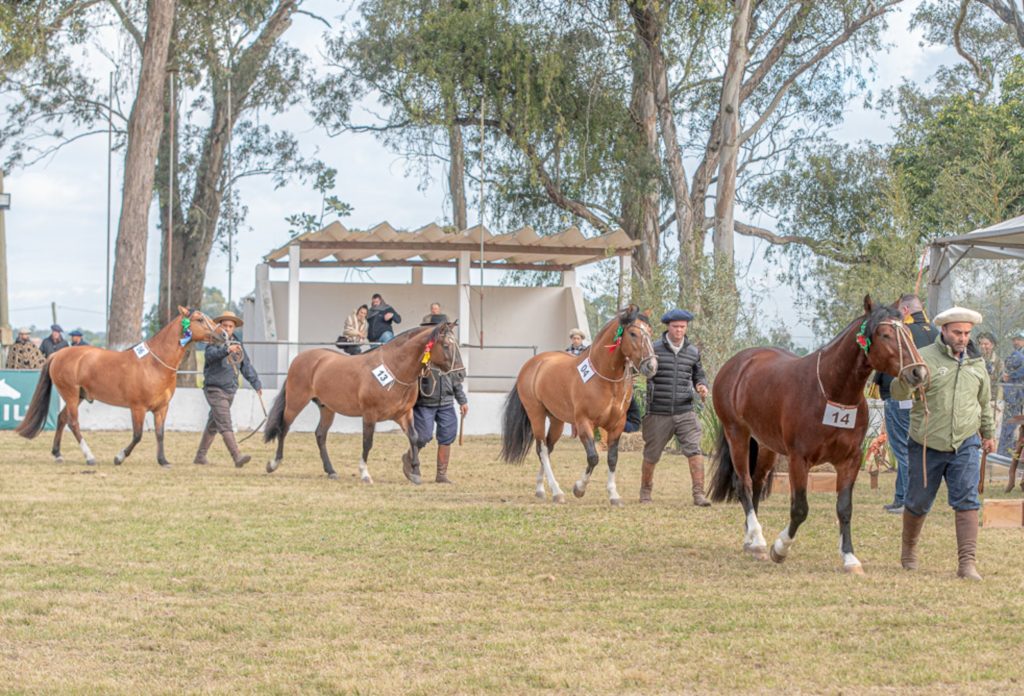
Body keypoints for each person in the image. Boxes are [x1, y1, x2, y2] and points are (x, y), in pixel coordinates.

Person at [891, 306, 995, 581]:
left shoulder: (977, 363)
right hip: (926, 443)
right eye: (957, 332)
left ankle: (967, 563)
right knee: (917, 501)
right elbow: (898, 392)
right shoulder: (923, 358)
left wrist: (988, 433)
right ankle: (909, 550)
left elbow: (984, 401)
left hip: (966, 443)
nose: (963, 338)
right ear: (944, 331)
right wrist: (907, 377)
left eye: (967, 333)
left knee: (968, 500)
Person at [640, 308, 711, 506]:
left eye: (682, 327)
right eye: (675, 327)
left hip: (685, 411)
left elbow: (699, 374)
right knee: (651, 455)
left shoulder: (693, 351)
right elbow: (642, 369)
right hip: (658, 412)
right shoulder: (653, 348)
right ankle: (645, 493)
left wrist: (702, 385)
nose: (679, 330)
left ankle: (699, 494)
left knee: (695, 450)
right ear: (667, 327)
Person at [874, 294, 935, 514]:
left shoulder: (903, 330)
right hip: (920, 398)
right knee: (907, 448)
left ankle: (908, 500)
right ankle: (900, 497)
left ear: (906, 311)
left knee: (902, 449)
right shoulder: (934, 332)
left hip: (899, 394)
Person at [193, 310, 262, 467]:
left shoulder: (238, 343)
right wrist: (226, 350)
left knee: (214, 424)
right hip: (214, 389)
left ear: (234, 328)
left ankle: (200, 457)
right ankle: (237, 457)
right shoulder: (213, 341)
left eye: (230, 326)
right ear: (220, 326)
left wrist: (256, 383)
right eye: (225, 325)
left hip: (230, 389)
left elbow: (245, 365)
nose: (227, 328)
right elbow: (210, 356)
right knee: (225, 422)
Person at [412, 314, 467, 483]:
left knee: (447, 435)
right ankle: (411, 459)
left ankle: (441, 475)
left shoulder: (448, 350)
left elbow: (454, 378)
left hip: (446, 402)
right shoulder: (421, 352)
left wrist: (462, 400)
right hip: (425, 402)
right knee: (423, 436)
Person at [997, 330, 1024, 458]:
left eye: (1018, 339)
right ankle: (1005, 451)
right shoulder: (1015, 354)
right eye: (1014, 339)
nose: (1016, 342)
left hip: (1018, 394)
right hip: (1013, 395)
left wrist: (1010, 375)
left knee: (1014, 423)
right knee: (1010, 422)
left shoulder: (1019, 355)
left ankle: (1009, 451)